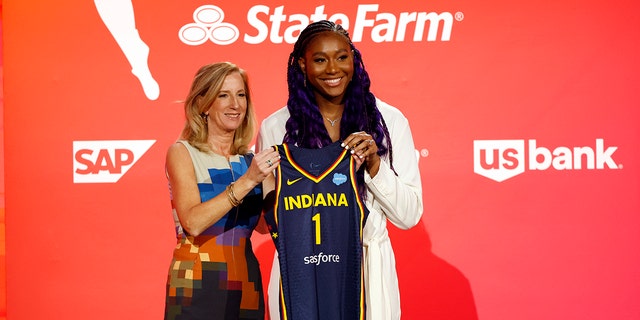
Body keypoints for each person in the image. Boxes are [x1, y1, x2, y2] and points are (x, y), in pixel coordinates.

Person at [257, 20, 424, 320]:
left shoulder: (389, 121)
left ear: (354, 59)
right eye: (320, 60)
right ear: (301, 65)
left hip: (366, 272)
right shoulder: (276, 127)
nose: (333, 69)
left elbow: (409, 215)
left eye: (342, 57)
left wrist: (375, 166)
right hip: (302, 273)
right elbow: (269, 216)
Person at [163, 62, 281, 320]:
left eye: (241, 95)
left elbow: (266, 227)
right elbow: (193, 222)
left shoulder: (251, 160)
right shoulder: (183, 153)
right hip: (196, 284)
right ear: (203, 104)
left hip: (246, 286)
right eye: (223, 95)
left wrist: (277, 184)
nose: (235, 105)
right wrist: (248, 181)